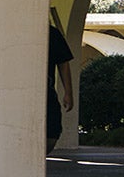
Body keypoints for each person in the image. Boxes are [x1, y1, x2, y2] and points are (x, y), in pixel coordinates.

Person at [47, 24, 75, 153]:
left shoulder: (52, 33)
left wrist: (68, 92)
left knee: (52, 133)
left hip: (48, 94)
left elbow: (63, 63)